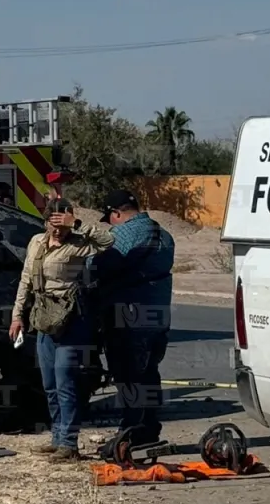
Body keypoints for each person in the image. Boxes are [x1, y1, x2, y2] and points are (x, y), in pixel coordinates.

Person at [9, 198, 115, 461]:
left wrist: (77, 224)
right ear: (45, 222)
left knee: (66, 381)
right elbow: (25, 280)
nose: (58, 231)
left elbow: (107, 242)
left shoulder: (78, 245)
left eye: (63, 225)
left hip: (71, 320)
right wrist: (17, 316)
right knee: (49, 383)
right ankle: (57, 437)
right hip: (44, 318)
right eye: (53, 224)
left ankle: (69, 442)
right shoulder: (36, 242)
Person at [91, 189, 175, 447]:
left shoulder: (123, 234)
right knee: (150, 374)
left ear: (117, 213)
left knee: (127, 376)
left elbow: (98, 266)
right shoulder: (166, 235)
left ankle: (129, 433)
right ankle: (149, 430)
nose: (111, 223)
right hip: (158, 318)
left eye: (111, 218)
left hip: (127, 317)